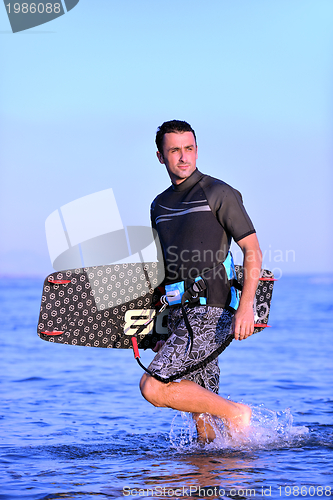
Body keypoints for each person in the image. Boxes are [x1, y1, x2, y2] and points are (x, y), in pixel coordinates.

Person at [139, 120, 262, 442]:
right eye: (175, 150)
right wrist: (160, 328)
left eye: (189, 149)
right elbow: (167, 267)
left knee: (154, 386)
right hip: (180, 312)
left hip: (213, 309)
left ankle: (238, 413)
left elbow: (252, 250)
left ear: (197, 150)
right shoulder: (159, 205)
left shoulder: (218, 192)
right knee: (203, 419)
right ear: (160, 156)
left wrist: (246, 308)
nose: (183, 157)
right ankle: (223, 466)